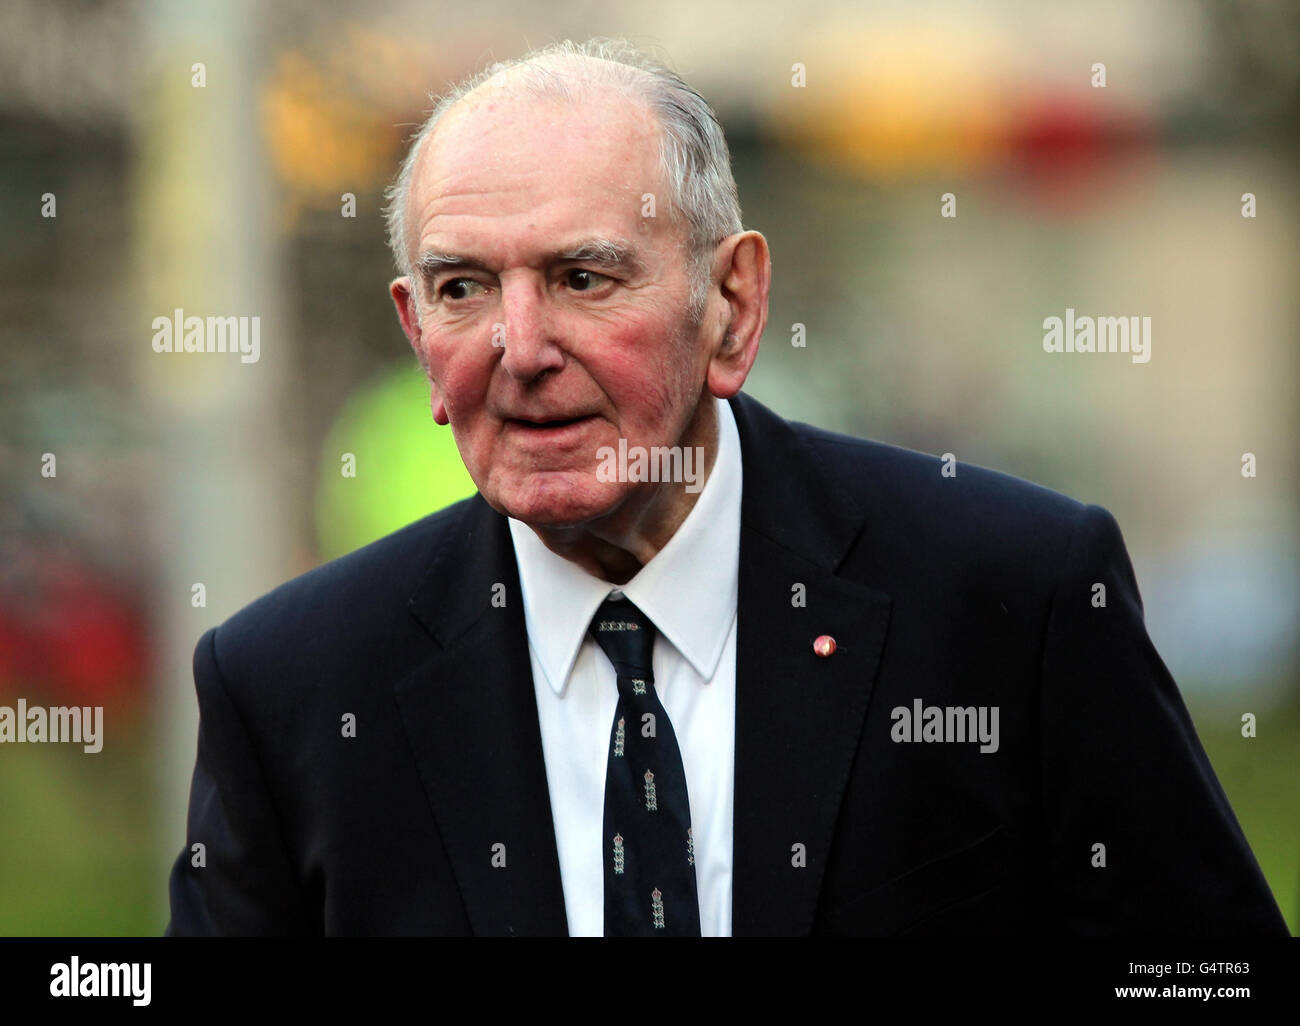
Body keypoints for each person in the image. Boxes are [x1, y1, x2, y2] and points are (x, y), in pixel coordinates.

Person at [165, 37, 1288, 937]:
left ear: (733, 307)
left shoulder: (1011, 597)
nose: (519, 346)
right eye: (463, 287)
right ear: (417, 333)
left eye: (582, 277)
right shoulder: (293, 688)